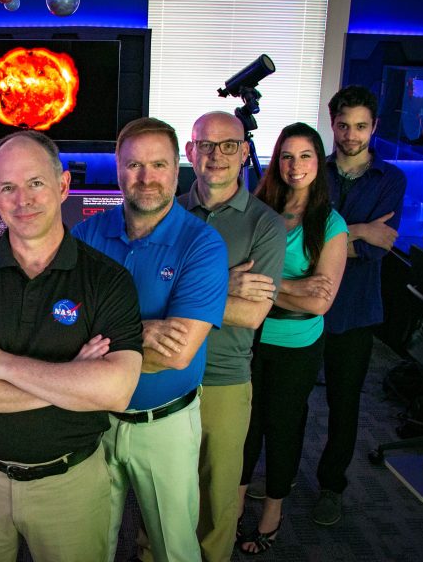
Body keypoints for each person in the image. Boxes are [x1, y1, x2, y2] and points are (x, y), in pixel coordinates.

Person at [0, 130, 143, 562]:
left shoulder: (107, 280)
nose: (22, 199)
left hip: (71, 482)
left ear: (63, 186)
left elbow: (114, 391)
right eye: (8, 187)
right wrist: (70, 382)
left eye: (36, 183)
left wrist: (0, 364)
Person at [71, 117, 227, 562]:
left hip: (166, 426)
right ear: (118, 169)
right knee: (88, 545)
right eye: (134, 165)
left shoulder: (202, 244)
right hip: (93, 421)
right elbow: (61, 327)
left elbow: (177, 354)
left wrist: (101, 339)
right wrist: (144, 332)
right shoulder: (86, 234)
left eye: (158, 164)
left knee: (174, 549)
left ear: (176, 168)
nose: (146, 177)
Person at [179, 111, 287, 562]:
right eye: (206, 145)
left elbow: (252, 314)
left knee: (217, 497)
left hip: (224, 380)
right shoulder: (167, 211)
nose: (216, 155)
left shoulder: (266, 225)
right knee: (164, 491)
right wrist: (223, 283)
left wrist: (175, 290)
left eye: (228, 145)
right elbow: (140, 291)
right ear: (190, 152)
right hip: (165, 371)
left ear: (245, 153)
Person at [238, 122, 348, 555]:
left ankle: (273, 512)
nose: (295, 165)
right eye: (286, 155)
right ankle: (235, 506)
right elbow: (233, 274)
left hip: (297, 343)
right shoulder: (258, 207)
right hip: (249, 334)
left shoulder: (330, 223)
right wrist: (294, 286)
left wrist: (266, 285)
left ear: (318, 162)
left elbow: (320, 303)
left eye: (305, 156)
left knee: (282, 426)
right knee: (244, 427)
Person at [313, 85, 406, 526]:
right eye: (343, 125)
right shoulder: (312, 170)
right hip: (304, 306)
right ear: (332, 124)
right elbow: (299, 242)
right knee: (288, 400)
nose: (351, 135)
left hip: (355, 310)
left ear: (375, 128)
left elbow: (377, 247)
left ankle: (331, 485)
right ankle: (280, 477)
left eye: (361, 126)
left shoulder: (392, 181)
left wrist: (355, 238)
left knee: (344, 405)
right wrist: (359, 230)